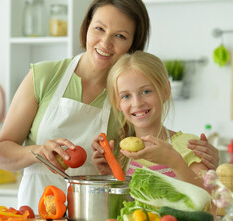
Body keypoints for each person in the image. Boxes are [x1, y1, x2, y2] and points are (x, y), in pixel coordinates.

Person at [0, 0, 218, 213]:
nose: (105, 43)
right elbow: (0, 154)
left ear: (132, 44)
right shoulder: (44, 76)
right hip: (37, 215)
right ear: (87, 26)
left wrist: (201, 160)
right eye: (99, 28)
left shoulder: (125, 99)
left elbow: (140, 165)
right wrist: (38, 151)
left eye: (120, 36)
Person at [91, 51, 214, 188]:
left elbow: (210, 199)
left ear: (165, 91)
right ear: (117, 103)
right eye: (126, 96)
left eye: (146, 91)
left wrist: (174, 161)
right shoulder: (121, 155)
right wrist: (111, 175)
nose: (137, 103)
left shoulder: (188, 145)